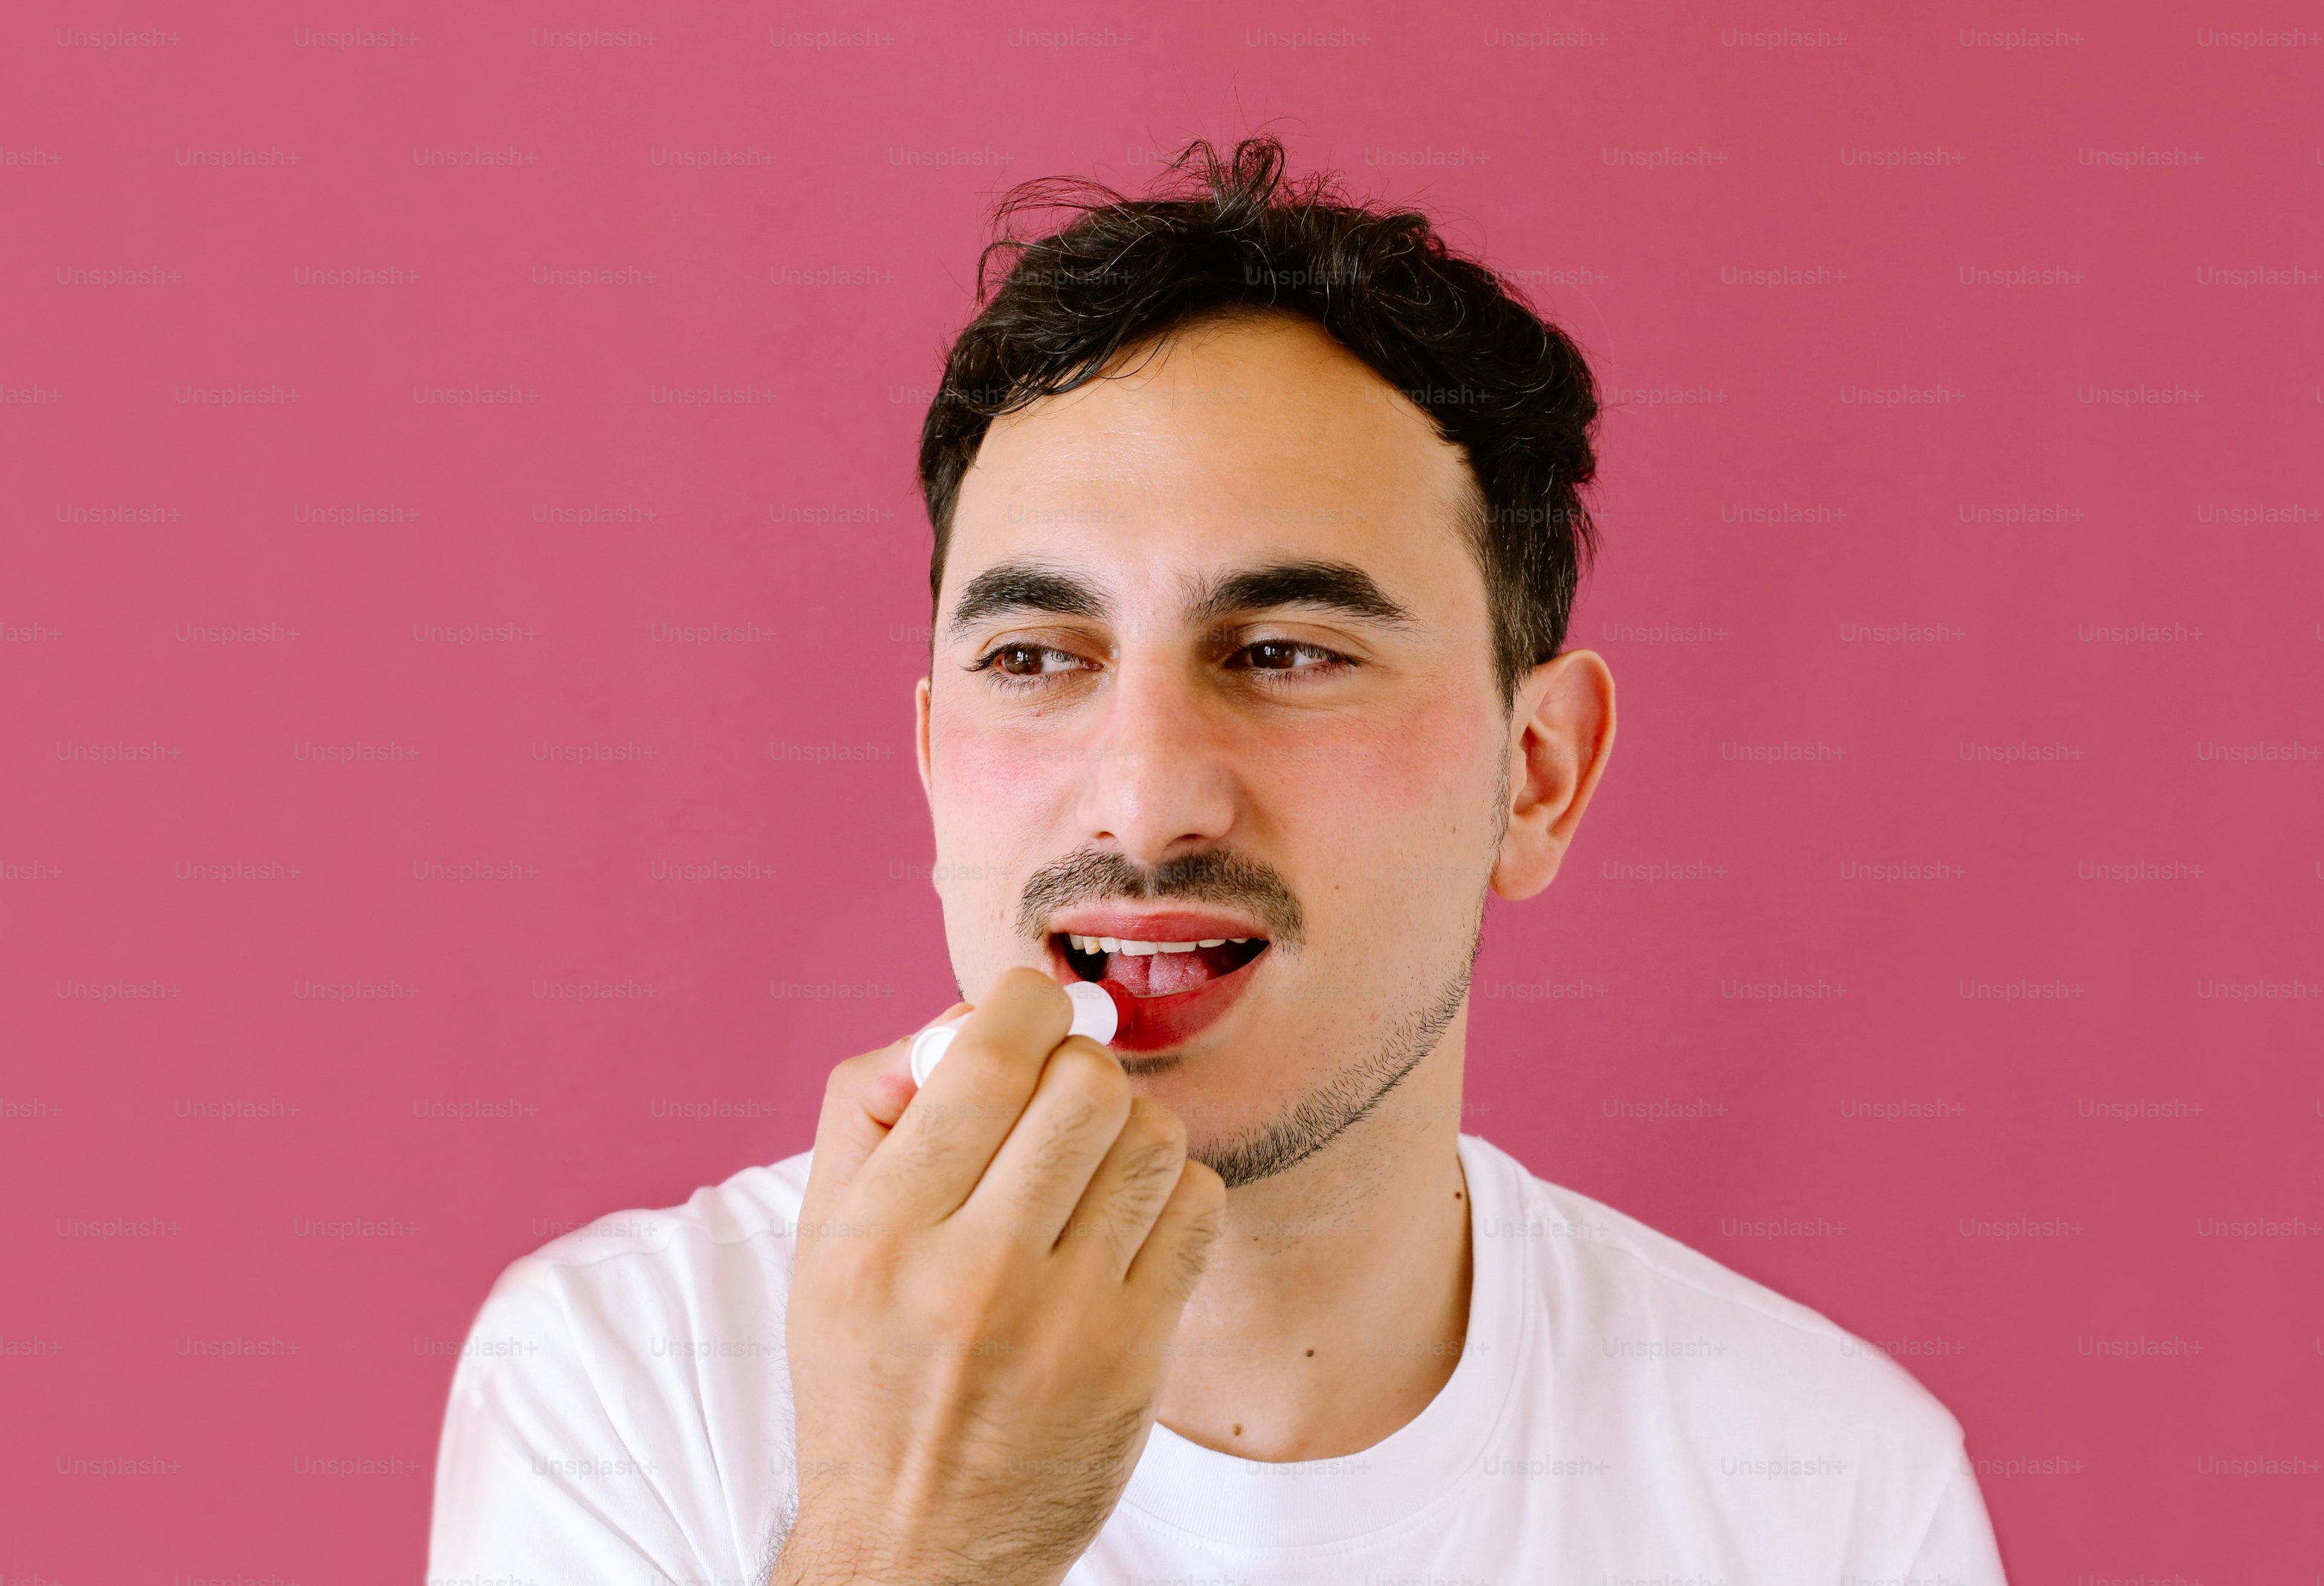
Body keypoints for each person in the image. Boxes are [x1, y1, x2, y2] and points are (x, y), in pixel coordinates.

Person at [429, 137, 2007, 1585]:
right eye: (1038, 658)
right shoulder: (617, 1384)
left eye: (1282, 649)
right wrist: (921, 1536)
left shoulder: (1832, 1492)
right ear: (931, 774)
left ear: (1537, 776)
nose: (1144, 795)